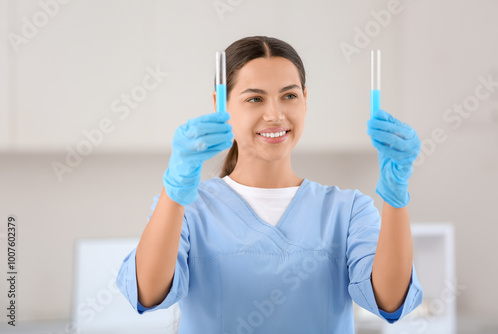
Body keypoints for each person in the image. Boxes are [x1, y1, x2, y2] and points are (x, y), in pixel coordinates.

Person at [116, 36, 423, 333]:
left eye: (289, 96)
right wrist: (175, 189)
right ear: (219, 104)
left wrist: (396, 197)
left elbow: (390, 301)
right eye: (255, 98)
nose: (275, 114)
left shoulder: (347, 211)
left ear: (305, 101)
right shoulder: (187, 209)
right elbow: (147, 293)